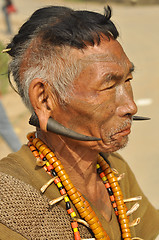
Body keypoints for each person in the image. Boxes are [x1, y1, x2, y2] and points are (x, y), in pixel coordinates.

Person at [0, 5, 159, 240]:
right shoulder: (9, 200)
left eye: (128, 80)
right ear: (44, 99)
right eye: (108, 85)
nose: (131, 106)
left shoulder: (114, 170)